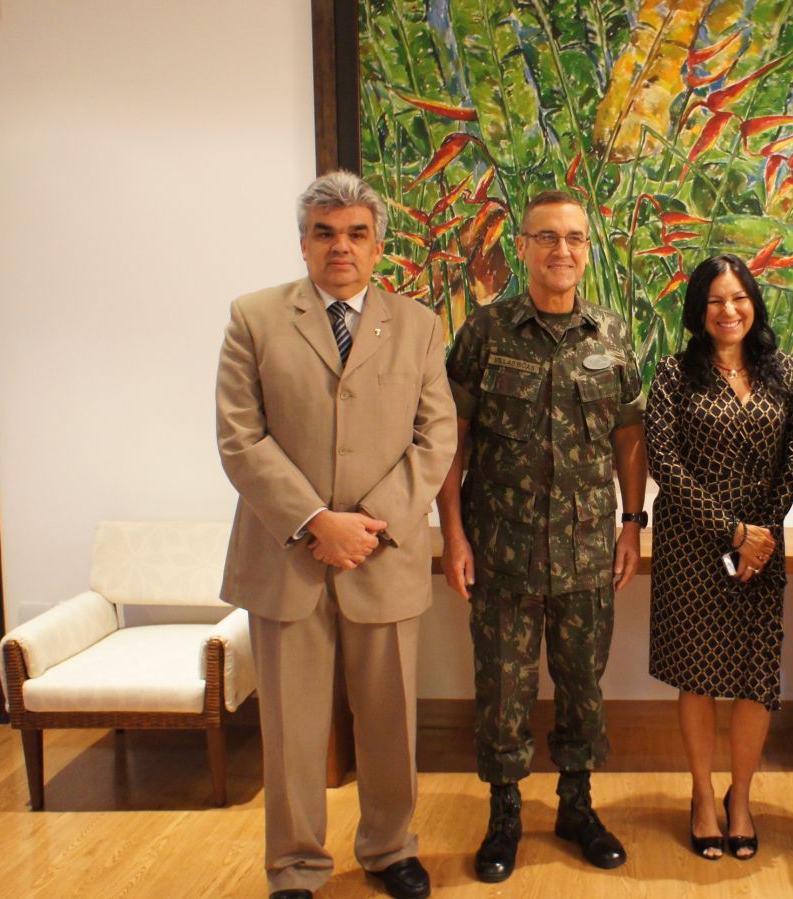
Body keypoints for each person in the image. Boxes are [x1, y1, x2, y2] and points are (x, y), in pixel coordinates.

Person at [215, 171, 456, 899]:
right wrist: (316, 521)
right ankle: (294, 866)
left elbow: (435, 438)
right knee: (291, 729)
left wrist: (367, 525)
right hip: (286, 556)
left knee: (390, 720)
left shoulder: (419, 325)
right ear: (303, 243)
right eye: (324, 233)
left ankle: (391, 848)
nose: (340, 246)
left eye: (356, 233)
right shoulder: (254, 318)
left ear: (378, 246)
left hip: (383, 555)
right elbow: (239, 437)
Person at [436, 190, 648, 883]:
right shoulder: (485, 332)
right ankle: (504, 814)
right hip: (502, 550)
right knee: (503, 690)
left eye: (575, 238)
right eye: (547, 237)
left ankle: (576, 807)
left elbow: (629, 436)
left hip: (587, 550)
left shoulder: (611, 332)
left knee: (583, 684)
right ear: (523, 246)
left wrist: (631, 522)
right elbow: (451, 439)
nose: (562, 250)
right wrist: (452, 534)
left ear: (588, 248)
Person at [645, 255, 793, 861]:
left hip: (763, 544)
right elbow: (664, 462)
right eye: (715, 300)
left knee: (755, 680)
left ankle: (742, 799)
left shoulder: (782, 371)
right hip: (693, 543)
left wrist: (761, 533)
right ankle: (703, 796)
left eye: (738, 298)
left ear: (753, 303)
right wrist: (732, 531)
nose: (728, 310)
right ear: (698, 309)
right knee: (698, 676)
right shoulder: (673, 374)